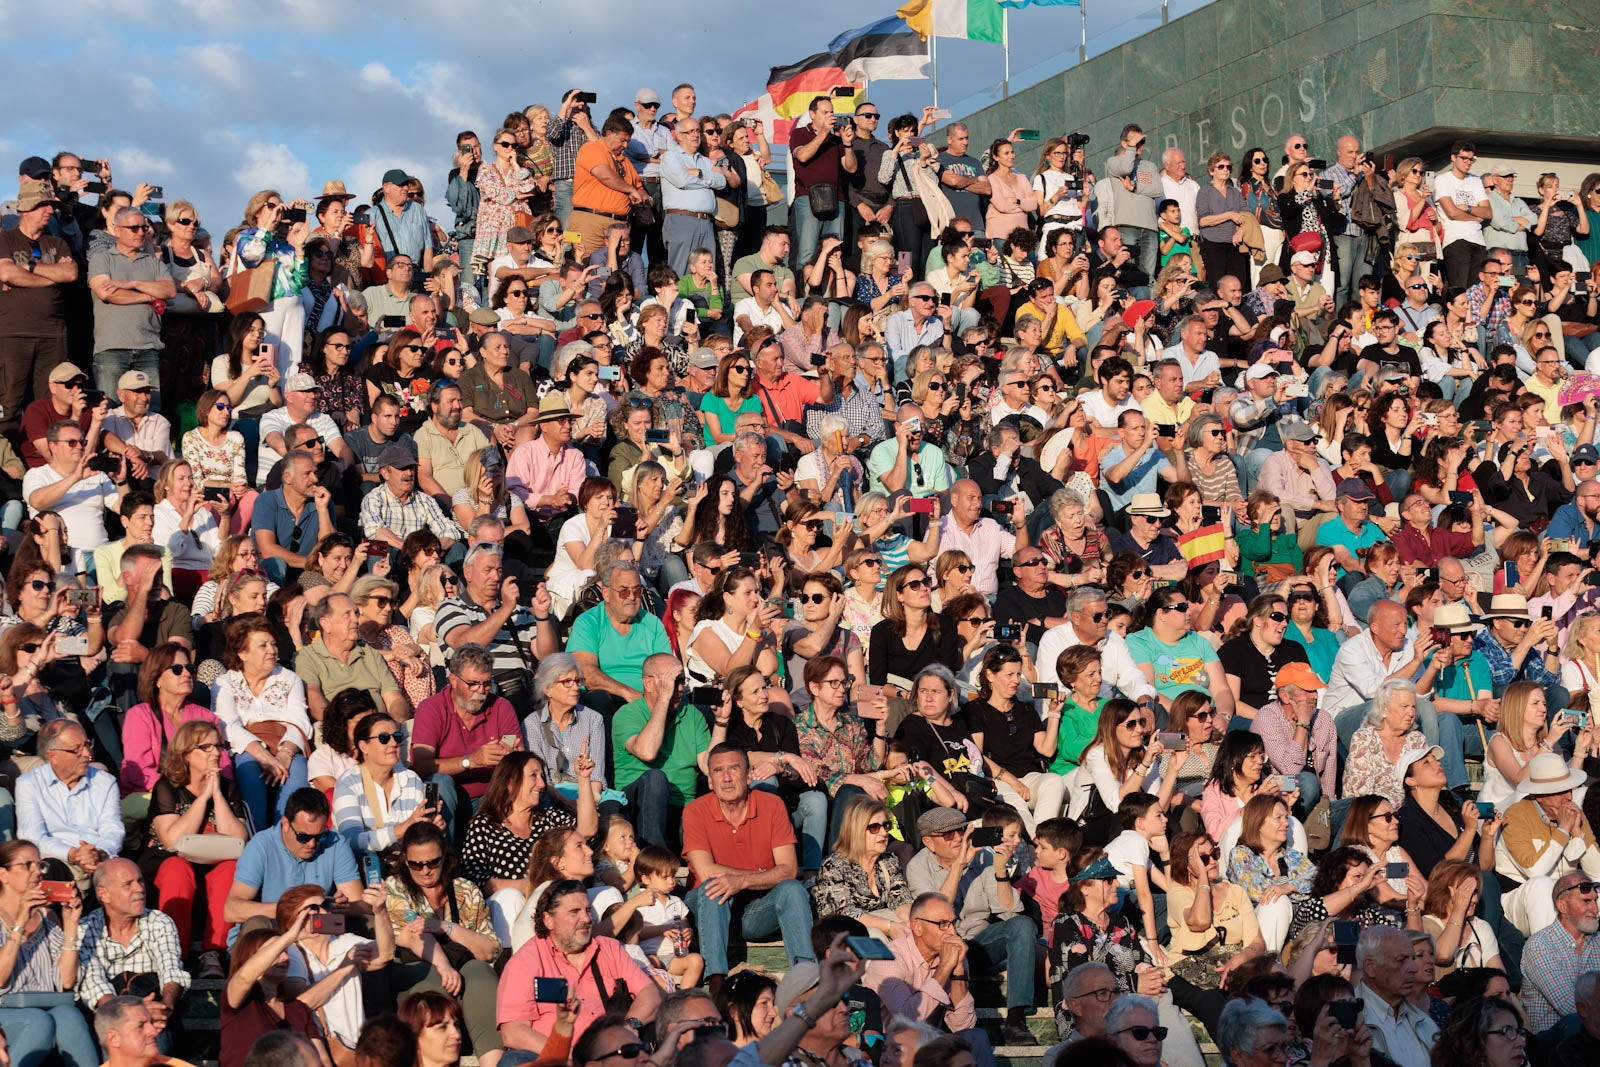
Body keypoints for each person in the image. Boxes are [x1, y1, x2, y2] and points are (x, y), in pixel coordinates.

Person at [905, 807, 1039, 1046]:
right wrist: (959, 866)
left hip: (978, 944)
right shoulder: (918, 866)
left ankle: (1016, 1020)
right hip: (942, 950)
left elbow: (1009, 911)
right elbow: (934, 913)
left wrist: (999, 870)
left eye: (960, 831)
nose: (957, 838)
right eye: (948, 834)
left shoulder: (984, 857)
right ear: (928, 842)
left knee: (1023, 925)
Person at [683, 743, 815, 984]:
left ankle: (805, 981)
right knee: (714, 886)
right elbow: (706, 870)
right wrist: (761, 876)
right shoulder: (695, 810)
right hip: (708, 910)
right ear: (710, 781)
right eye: (718, 771)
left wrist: (742, 880)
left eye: (734, 769)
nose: (726, 778)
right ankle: (716, 982)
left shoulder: (772, 806)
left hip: (756, 912)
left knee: (793, 890)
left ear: (748, 774)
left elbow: (788, 869)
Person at [383, 822, 502, 1067]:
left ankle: (494, 1062)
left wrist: (446, 927)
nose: (425, 870)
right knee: (432, 985)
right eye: (416, 864)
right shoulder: (397, 887)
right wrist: (444, 965)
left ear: (444, 857)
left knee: (481, 973)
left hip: (464, 965)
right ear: (406, 861)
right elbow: (415, 936)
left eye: (433, 862)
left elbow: (488, 949)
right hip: (417, 966)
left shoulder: (465, 889)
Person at [496, 879, 662, 1053]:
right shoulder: (525, 962)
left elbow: (649, 992)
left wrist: (630, 1024)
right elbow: (513, 1032)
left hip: (612, 1053)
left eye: (588, 910)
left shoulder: (609, 948)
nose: (586, 918)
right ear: (548, 920)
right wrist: (566, 1056)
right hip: (554, 1057)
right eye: (575, 912)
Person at [143, 719, 247, 980]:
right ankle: (175, 952)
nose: (216, 753)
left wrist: (218, 795)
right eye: (207, 747)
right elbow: (172, 840)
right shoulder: (167, 787)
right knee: (178, 869)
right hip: (168, 863)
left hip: (211, 864)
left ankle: (213, 952)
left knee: (231, 868)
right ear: (187, 753)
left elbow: (238, 838)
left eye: (218, 746)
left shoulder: (228, 787)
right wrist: (203, 798)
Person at [213, 615, 313, 830]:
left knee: (296, 772)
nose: (272, 650)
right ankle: (256, 839)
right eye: (263, 646)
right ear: (243, 653)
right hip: (245, 747)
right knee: (248, 769)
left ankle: (287, 839)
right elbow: (227, 725)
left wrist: (285, 753)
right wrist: (262, 754)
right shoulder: (224, 683)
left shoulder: (289, 679)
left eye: (273, 644)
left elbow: (299, 720)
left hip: (285, 743)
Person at [0, 839, 94, 1067]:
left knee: (69, 1016)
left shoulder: (47, 918)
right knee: (38, 1020)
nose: (37, 872)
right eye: (27, 865)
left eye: (40, 865)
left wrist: (70, 924)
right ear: (3, 875)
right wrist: (21, 920)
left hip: (46, 1003)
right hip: (6, 1010)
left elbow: (66, 981)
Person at [222, 787, 363, 934]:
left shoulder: (336, 843)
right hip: (272, 934)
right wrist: (294, 909)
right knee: (258, 923)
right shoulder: (261, 846)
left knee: (368, 923)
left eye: (320, 836)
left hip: (317, 932)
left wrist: (339, 907)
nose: (312, 844)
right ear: (285, 824)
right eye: (303, 837)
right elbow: (231, 909)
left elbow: (361, 905)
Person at [15, 720, 121, 887]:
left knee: (127, 875)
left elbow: (113, 829)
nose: (87, 754)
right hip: (58, 863)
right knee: (50, 870)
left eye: (87, 744)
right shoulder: (28, 784)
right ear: (52, 756)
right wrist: (73, 854)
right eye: (76, 750)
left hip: (98, 861)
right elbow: (32, 837)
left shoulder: (105, 782)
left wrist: (98, 853)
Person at [811, 795, 914, 939]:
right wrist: (891, 926)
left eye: (886, 825)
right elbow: (846, 914)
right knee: (874, 935)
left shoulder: (889, 860)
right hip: (840, 934)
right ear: (856, 831)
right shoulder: (833, 866)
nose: (884, 833)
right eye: (874, 828)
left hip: (883, 923)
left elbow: (901, 900)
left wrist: (911, 924)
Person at [1353, 925, 1437, 1067]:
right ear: (1370, 967)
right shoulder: (1348, 1021)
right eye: (1401, 960)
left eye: (1412, 958)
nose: (1414, 968)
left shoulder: (1424, 1023)